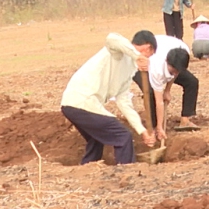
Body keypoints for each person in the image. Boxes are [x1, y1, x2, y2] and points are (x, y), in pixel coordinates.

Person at [60, 33, 147, 165]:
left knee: (96, 139)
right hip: (81, 102)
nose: (147, 57)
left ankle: (87, 169)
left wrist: (142, 130)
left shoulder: (128, 72)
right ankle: (128, 172)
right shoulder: (118, 54)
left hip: (73, 105)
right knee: (123, 136)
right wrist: (137, 56)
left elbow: (124, 102)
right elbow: (111, 38)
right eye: (147, 52)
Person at [131, 29, 199, 140]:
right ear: (167, 62)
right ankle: (152, 128)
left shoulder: (184, 52)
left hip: (168, 58)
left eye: (177, 71)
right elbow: (159, 101)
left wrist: (167, 90)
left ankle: (185, 120)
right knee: (151, 92)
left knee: (192, 82)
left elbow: (175, 73)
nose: (175, 73)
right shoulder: (157, 66)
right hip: (140, 64)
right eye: (173, 70)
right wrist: (159, 127)